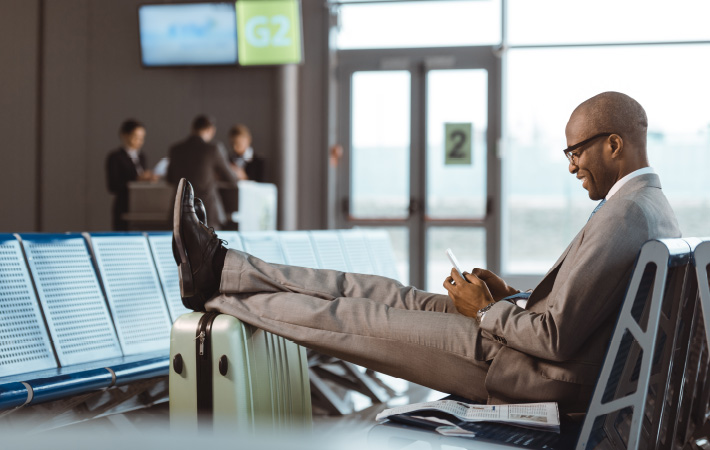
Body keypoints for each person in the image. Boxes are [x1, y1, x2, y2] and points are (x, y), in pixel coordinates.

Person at [171, 92, 681, 413]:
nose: (571, 166)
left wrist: (485, 309)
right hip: (519, 340)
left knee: (350, 318)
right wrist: (512, 297)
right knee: (375, 291)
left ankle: (214, 287)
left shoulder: (626, 215)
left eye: (576, 151)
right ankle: (224, 264)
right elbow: (581, 313)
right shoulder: (647, 207)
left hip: (522, 369)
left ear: (614, 144)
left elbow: (557, 337)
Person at [167, 115, 238, 230]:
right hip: (207, 213)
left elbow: (170, 178)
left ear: (192, 128)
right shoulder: (213, 149)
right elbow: (231, 178)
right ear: (211, 130)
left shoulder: (176, 150)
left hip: (180, 213)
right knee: (210, 247)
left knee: (181, 247)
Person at [105, 119, 157, 231]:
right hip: (124, 207)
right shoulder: (115, 157)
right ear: (125, 135)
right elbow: (113, 186)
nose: (140, 141)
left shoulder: (142, 156)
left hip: (141, 206)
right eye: (136, 137)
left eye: (142, 138)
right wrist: (136, 179)